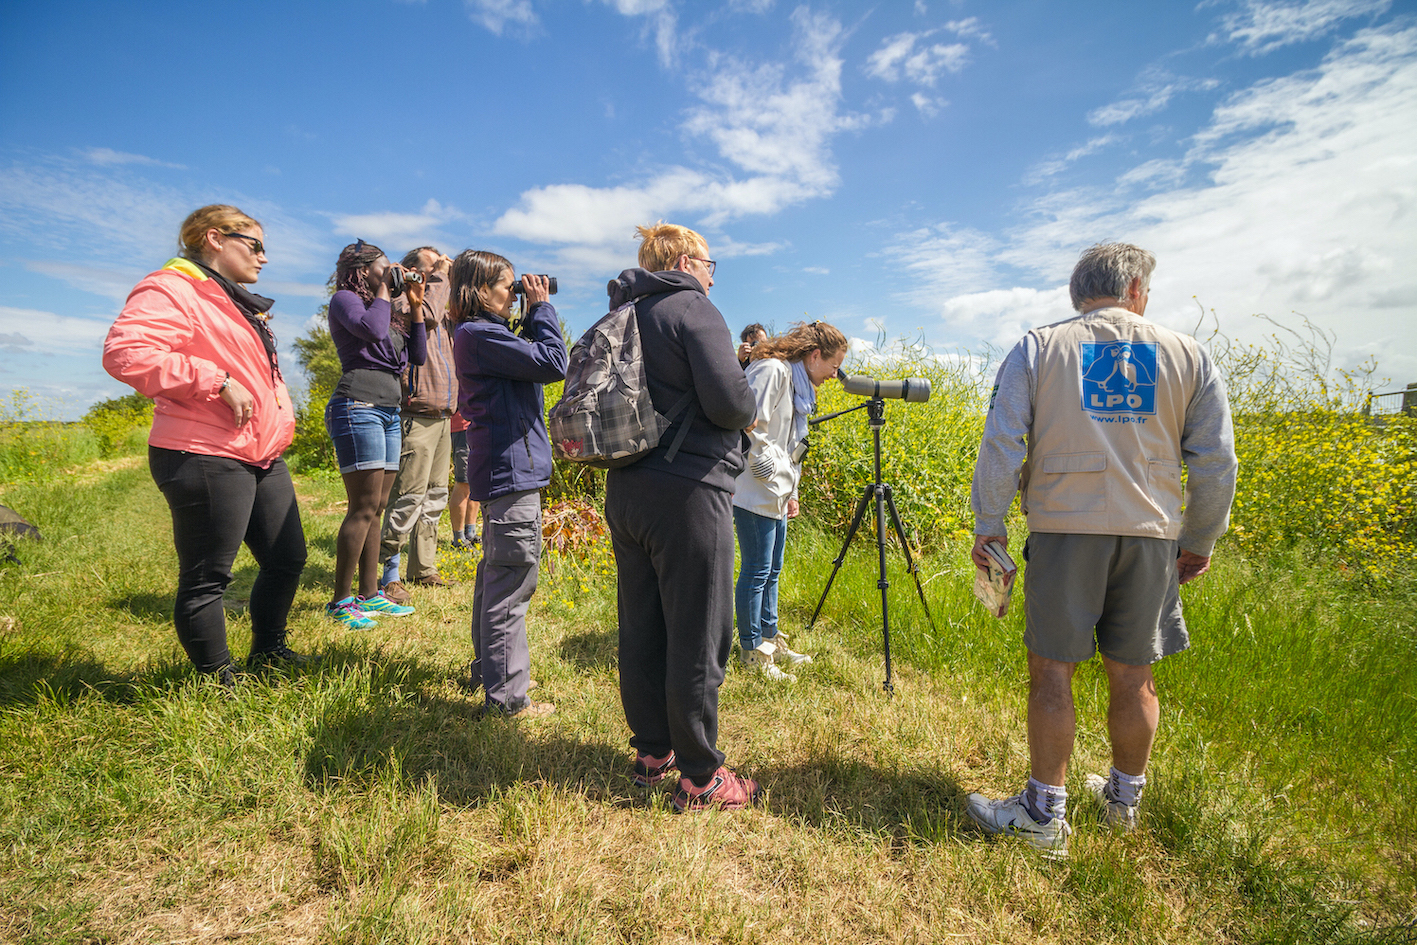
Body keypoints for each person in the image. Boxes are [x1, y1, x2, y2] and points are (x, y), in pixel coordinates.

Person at [965, 243, 1237, 857]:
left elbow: (1003, 440)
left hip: (1064, 528)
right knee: (1134, 675)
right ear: (1137, 290)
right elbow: (1217, 463)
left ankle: (1042, 813)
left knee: (1052, 670)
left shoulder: (1039, 347)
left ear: (1076, 293)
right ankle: (1122, 803)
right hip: (1153, 532)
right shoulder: (1189, 354)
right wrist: (1198, 540)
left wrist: (990, 523)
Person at [102, 204, 310, 686]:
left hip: (259, 452)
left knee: (287, 557)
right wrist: (213, 380)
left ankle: (270, 651)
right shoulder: (173, 288)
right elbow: (126, 353)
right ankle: (217, 680)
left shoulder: (230, 298)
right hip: (203, 450)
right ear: (215, 238)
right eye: (255, 244)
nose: (263, 257)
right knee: (207, 578)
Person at [604, 223, 761, 813]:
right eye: (711, 261)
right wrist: (746, 395)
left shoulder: (627, 313)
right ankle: (700, 778)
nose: (715, 273)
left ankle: (652, 753)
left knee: (642, 623)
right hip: (689, 491)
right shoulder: (694, 308)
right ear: (686, 260)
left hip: (626, 489)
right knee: (700, 631)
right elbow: (730, 402)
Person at [451, 251, 566, 719]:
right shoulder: (478, 334)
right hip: (511, 472)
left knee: (496, 575)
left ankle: (492, 670)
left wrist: (525, 311)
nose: (514, 291)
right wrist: (540, 308)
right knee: (512, 581)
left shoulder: (483, 334)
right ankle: (507, 697)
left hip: (505, 469)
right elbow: (553, 362)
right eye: (507, 285)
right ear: (481, 291)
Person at [734, 320, 847, 681]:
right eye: (833, 366)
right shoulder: (773, 371)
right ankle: (753, 653)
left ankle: (770, 639)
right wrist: (767, 467)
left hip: (778, 491)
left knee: (773, 571)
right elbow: (748, 420)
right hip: (755, 490)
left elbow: (790, 443)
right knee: (756, 571)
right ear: (815, 356)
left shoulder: (799, 387)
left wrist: (791, 490)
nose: (835, 374)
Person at [324, 240, 427, 628]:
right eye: (384, 267)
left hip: (387, 409)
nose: (392, 271)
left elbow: (416, 355)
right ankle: (341, 600)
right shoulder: (345, 300)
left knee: (378, 507)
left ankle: (370, 595)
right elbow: (369, 329)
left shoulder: (388, 311)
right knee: (362, 506)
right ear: (364, 269)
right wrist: (386, 289)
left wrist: (415, 305)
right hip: (358, 406)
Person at [376, 246, 458, 604]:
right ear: (410, 270)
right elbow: (425, 316)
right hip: (416, 413)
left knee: (436, 496)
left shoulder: (440, 302)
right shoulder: (401, 303)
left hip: (443, 415)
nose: (440, 266)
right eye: (430, 262)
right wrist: (440, 273)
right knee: (407, 496)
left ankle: (423, 568)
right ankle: (385, 573)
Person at [448, 413, 480, 551]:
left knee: (476, 481)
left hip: (479, 425)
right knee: (463, 481)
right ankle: (458, 538)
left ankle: (470, 532)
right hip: (461, 427)